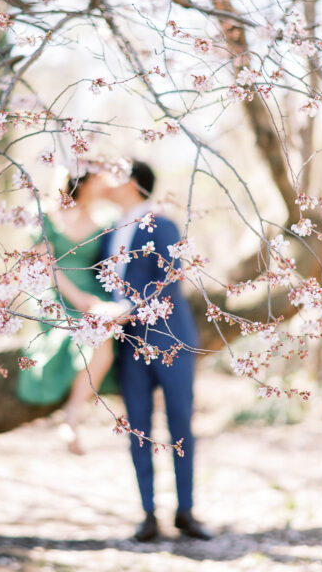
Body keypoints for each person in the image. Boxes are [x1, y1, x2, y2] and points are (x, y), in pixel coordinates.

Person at [99, 160, 211, 542]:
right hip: (128, 345)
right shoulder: (107, 233)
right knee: (138, 428)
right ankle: (147, 513)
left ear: (131, 182)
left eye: (113, 173)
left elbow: (171, 275)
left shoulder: (162, 224)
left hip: (170, 340)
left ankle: (186, 511)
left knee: (180, 422)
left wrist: (127, 309)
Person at [17, 172, 119, 455]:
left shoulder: (106, 220)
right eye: (100, 178)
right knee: (81, 331)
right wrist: (79, 300)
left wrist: (97, 302)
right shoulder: (44, 216)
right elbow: (45, 264)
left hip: (92, 295)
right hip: (54, 295)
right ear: (82, 182)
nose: (108, 183)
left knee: (104, 343)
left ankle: (72, 418)